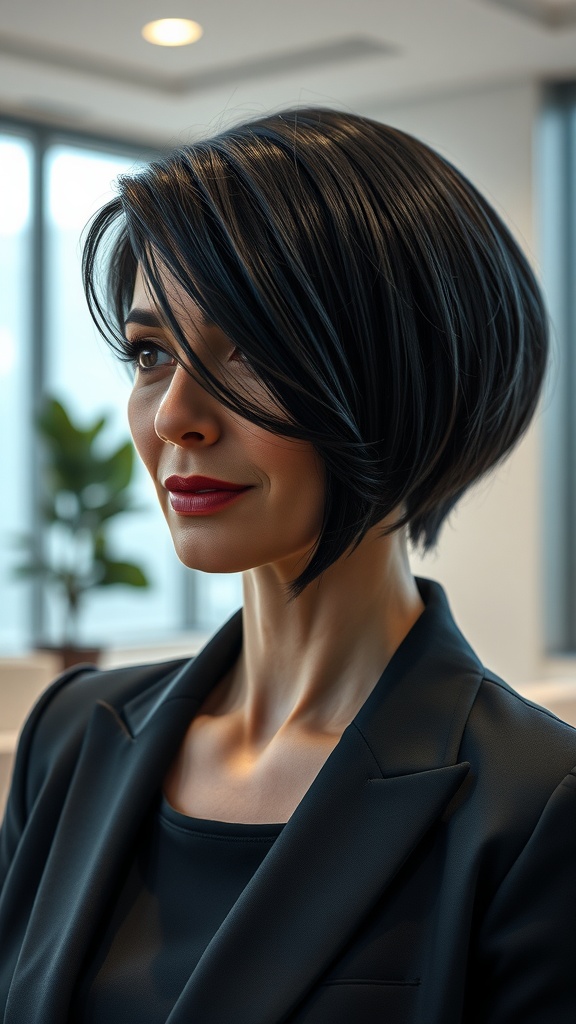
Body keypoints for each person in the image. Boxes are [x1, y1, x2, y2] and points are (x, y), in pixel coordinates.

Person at [1, 107, 574, 1024]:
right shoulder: (72, 736)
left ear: (406, 376)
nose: (175, 417)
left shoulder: (534, 805)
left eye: (253, 352)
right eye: (151, 354)